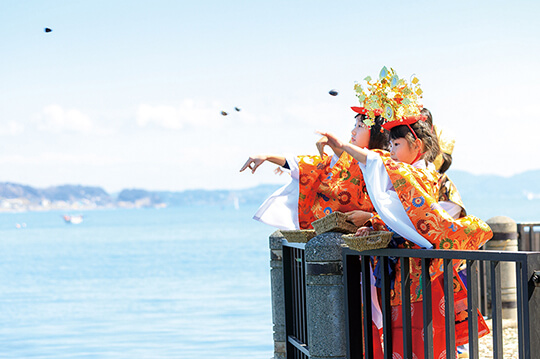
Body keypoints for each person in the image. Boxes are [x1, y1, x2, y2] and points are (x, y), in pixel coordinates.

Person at [318, 67, 492, 358]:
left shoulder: (420, 177)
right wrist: (375, 223)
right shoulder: (406, 174)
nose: (392, 151)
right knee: (401, 343)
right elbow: (401, 213)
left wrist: (348, 149)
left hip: (425, 272)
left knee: (425, 342)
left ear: (418, 145)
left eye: (396, 144)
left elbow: (397, 183)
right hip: (405, 273)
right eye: (390, 144)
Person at [239, 107, 389, 230]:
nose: (353, 131)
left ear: (376, 132)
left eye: (360, 126)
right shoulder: (345, 161)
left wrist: (370, 218)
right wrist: (268, 156)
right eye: (355, 125)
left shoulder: (385, 162)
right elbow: (307, 166)